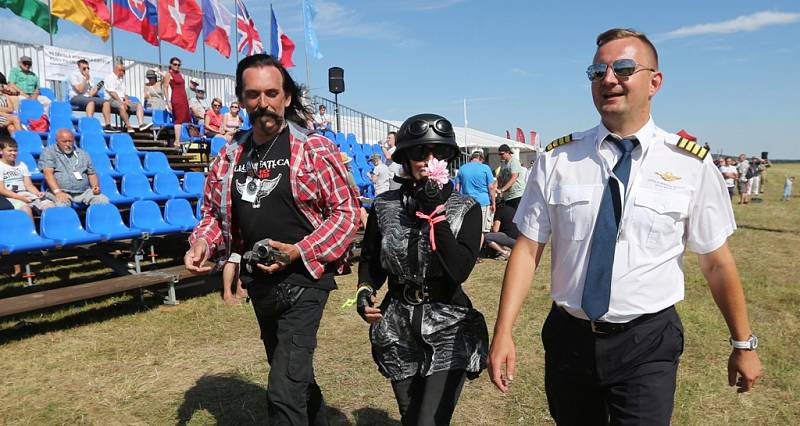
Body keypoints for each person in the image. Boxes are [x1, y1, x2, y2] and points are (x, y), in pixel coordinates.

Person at [488, 28, 762, 425]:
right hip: (571, 337)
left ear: (655, 82)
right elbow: (528, 250)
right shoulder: (558, 160)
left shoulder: (690, 165)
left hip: (647, 341)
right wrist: (503, 332)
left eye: (623, 68)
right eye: (597, 71)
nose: (608, 79)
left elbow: (716, 262)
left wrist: (743, 343)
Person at [184, 53, 359, 425]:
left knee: (282, 388)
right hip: (259, 281)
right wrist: (202, 243)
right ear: (241, 98)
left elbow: (346, 215)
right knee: (293, 376)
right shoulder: (229, 155)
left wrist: (299, 251)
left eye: (271, 93)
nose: (263, 102)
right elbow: (213, 216)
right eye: (253, 94)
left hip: (305, 279)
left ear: (287, 97)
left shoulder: (314, 149)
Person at [355, 113, 488, 426]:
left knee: (429, 420)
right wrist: (365, 292)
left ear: (449, 159)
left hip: (449, 325)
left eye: (438, 153)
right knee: (410, 415)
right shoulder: (383, 206)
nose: (429, 160)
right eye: (419, 153)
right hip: (397, 327)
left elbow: (459, 269)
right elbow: (372, 261)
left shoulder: (466, 208)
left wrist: (436, 215)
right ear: (404, 158)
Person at [40, 128, 109, 207]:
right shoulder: (48, 152)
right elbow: (48, 173)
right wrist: (57, 192)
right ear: (57, 141)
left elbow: (91, 173)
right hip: (60, 191)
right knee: (62, 205)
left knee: (103, 201)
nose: (68, 144)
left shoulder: (83, 154)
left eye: (70, 141)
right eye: (64, 141)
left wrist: (95, 187)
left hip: (83, 192)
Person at [0, 139, 54, 217]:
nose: (13, 153)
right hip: (9, 196)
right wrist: (21, 198)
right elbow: (2, 190)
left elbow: (29, 185)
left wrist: (37, 193)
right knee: (25, 209)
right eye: (10, 150)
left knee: (50, 206)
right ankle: (31, 229)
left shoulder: (21, 165)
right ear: (1, 151)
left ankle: (51, 228)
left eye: (15, 151)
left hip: (25, 193)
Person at [455, 149, 496, 232]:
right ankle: (479, 245)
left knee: (469, 228)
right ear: (481, 159)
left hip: (467, 202)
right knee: (482, 230)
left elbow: (457, 188)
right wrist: (493, 203)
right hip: (483, 202)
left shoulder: (462, 168)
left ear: (471, 158)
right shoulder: (485, 168)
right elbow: (491, 187)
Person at [104, 62, 149, 133]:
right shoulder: (110, 78)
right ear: (119, 70)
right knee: (121, 106)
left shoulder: (121, 80)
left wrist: (127, 100)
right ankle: (129, 126)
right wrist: (122, 102)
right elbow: (112, 93)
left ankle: (141, 124)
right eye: (123, 71)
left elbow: (124, 93)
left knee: (138, 105)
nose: (124, 73)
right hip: (111, 100)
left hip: (121, 100)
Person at [68, 59, 113, 128]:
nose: (87, 70)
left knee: (106, 102)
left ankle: (108, 125)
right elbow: (79, 90)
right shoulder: (74, 75)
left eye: (88, 68)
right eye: (84, 68)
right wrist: (85, 79)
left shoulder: (90, 77)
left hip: (87, 97)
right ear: (79, 68)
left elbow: (91, 93)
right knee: (91, 102)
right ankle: (90, 124)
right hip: (75, 97)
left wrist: (98, 87)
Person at [163, 57, 192, 147]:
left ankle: (183, 139)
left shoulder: (181, 74)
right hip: (176, 98)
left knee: (186, 118)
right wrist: (167, 101)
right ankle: (177, 141)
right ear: (171, 65)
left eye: (179, 65)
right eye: (175, 64)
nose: (177, 66)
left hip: (184, 98)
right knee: (178, 120)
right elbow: (165, 88)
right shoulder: (169, 74)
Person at [496, 143, 526, 209]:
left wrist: (502, 190)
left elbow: (514, 177)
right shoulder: (503, 163)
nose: (500, 156)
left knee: (516, 217)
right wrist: (498, 188)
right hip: (508, 196)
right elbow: (500, 178)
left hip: (517, 195)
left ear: (508, 152)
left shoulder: (514, 162)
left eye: (502, 154)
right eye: (499, 154)